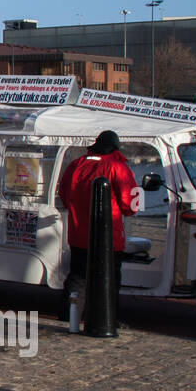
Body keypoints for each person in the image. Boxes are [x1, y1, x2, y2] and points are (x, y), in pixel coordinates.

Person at [55, 130, 138, 321]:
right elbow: (130, 205)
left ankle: (71, 317)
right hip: (109, 236)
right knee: (109, 279)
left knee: (77, 277)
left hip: (78, 234)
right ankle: (107, 320)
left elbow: (65, 196)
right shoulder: (118, 167)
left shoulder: (76, 164)